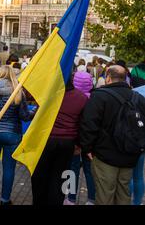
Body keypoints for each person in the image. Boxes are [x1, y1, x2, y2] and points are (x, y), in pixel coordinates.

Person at [80, 65, 145, 205]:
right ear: (125, 79)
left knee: (105, 193)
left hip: (105, 155)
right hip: (129, 154)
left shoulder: (99, 96)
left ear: (108, 78)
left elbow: (89, 124)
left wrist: (87, 148)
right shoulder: (138, 98)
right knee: (124, 192)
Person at [31, 76, 88, 205]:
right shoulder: (81, 98)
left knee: (40, 174)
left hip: (45, 141)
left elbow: (37, 117)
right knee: (60, 176)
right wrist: (79, 144)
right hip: (67, 143)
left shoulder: (47, 96)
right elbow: (82, 124)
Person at [0, 65, 30, 205]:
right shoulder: (18, 92)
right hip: (12, 134)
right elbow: (24, 116)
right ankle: (5, 199)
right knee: (9, 169)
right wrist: (34, 112)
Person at [66, 69, 96, 205]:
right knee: (90, 172)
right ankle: (91, 199)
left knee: (72, 169)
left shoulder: (71, 98)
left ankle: (70, 198)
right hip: (90, 142)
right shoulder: (95, 100)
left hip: (73, 140)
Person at [131, 84, 145, 205]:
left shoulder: (135, 92)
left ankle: (125, 201)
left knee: (129, 175)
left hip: (131, 137)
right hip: (142, 140)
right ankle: (137, 202)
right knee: (138, 176)